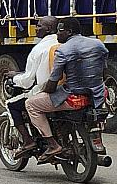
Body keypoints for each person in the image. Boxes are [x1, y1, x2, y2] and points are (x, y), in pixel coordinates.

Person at [25, 17, 108, 159]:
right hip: (98, 95)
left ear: (69, 32)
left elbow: (53, 81)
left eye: (60, 30)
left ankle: (52, 145)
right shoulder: (98, 44)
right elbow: (104, 71)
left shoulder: (62, 50)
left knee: (31, 104)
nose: (57, 34)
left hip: (74, 96)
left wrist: (42, 90)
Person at [4, 16, 59, 158]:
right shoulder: (63, 44)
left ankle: (28, 141)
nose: (36, 28)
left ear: (48, 29)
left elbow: (28, 81)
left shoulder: (39, 49)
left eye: (39, 26)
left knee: (11, 104)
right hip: (64, 90)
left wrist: (15, 78)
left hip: (45, 91)